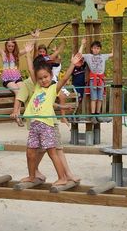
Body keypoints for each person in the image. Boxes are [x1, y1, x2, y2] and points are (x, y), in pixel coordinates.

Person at [20, 42, 82, 186]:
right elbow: (30, 70)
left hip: (47, 125)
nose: (43, 80)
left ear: (51, 75)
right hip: (35, 124)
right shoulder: (37, 87)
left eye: (46, 77)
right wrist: (28, 54)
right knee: (30, 152)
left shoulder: (53, 88)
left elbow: (65, 78)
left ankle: (62, 177)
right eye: (40, 78)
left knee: (52, 152)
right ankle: (31, 176)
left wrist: (72, 64)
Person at [0, 23, 31, 92]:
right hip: (7, 79)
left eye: (12, 46)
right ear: (6, 45)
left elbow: (29, 48)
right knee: (17, 91)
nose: (10, 47)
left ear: (14, 47)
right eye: (9, 46)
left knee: (24, 91)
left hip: (17, 78)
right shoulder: (3, 54)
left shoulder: (16, 54)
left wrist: (35, 38)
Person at [80, 38, 113, 123]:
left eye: (98, 48)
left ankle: (98, 115)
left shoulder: (103, 56)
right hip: (93, 79)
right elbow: (79, 54)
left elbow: (113, 54)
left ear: (100, 49)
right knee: (93, 98)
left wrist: (114, 44)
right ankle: (93, 115)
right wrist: (82, 44)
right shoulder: (88, 56)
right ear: (91, 49)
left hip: (101, 80)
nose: (96, 50)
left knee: (100, 98)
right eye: (94, 48)